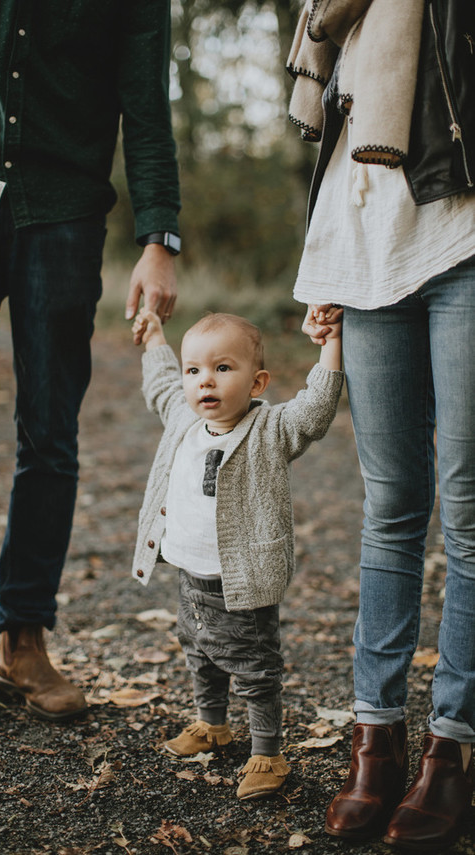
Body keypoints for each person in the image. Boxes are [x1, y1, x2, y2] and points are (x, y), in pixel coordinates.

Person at [0, 0, 181, 744]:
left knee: (50, 435)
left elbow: (146, 98)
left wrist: (160, 233)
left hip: (63, 211)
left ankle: (21, 640)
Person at [287, 0, 475, 850]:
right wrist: (326, 257)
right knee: (391, 505)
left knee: (467, 507)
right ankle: (378, 737)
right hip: (366, 248)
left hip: (461, 233)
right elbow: (337, 113)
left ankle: (453, 747)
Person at [130, 308, 343, 800]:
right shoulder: (184, 419)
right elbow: (162, 386)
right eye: (195, 370)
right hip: (190, 576)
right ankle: (212, 725)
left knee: (254, 667)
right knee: (199, 652)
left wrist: (330, 345)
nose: (205, 381)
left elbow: (314, 411)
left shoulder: (270, 429)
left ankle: (268, 751)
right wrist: (156, 339)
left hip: (240, 582)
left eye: (223, 368)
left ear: (256, 381)